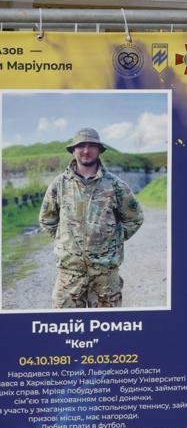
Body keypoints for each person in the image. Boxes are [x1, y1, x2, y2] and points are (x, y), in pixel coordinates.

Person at [39, 128, 144, 308]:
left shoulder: (116, 185)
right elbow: (47, 220)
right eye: (81, 146)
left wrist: (111, 240)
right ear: (73, 150)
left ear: (99, 150)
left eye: (92, 146)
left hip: (105, 276)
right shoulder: (59, 185)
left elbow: (134, 219)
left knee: (107, 327)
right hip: (69, 275)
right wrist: (66, 243)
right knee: (66, 326)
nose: (86, 151)